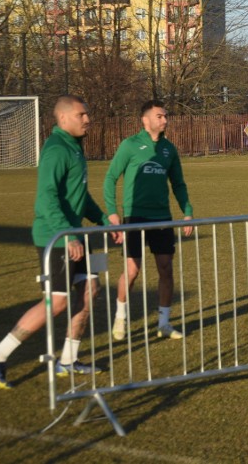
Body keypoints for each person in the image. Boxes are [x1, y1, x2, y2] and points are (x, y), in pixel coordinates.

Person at [0, 95, 121, 389]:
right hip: (55, 238)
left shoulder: (76, 148)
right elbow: (46, 199)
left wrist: (104, 220)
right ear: (64, 118)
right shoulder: (56, 149)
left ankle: (68, 360)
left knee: (90, 289)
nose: (87, 119)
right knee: (57, 302)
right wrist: (67, 235)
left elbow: (80, 196)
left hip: (75, 237)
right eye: (82, 114)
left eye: (88, 114)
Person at [104, 100, 194, 341]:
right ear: (145, 120)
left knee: (166, 269)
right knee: (132, 270)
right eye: (159, 116)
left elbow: (178, 183)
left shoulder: (169, 149)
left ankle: (164, 322)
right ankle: (120, 318)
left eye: (166, 116)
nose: (164, 120)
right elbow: (110, 178)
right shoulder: (130, 145)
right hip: (135, 216)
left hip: (162, 217)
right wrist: (113, 213)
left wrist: (187, 212)